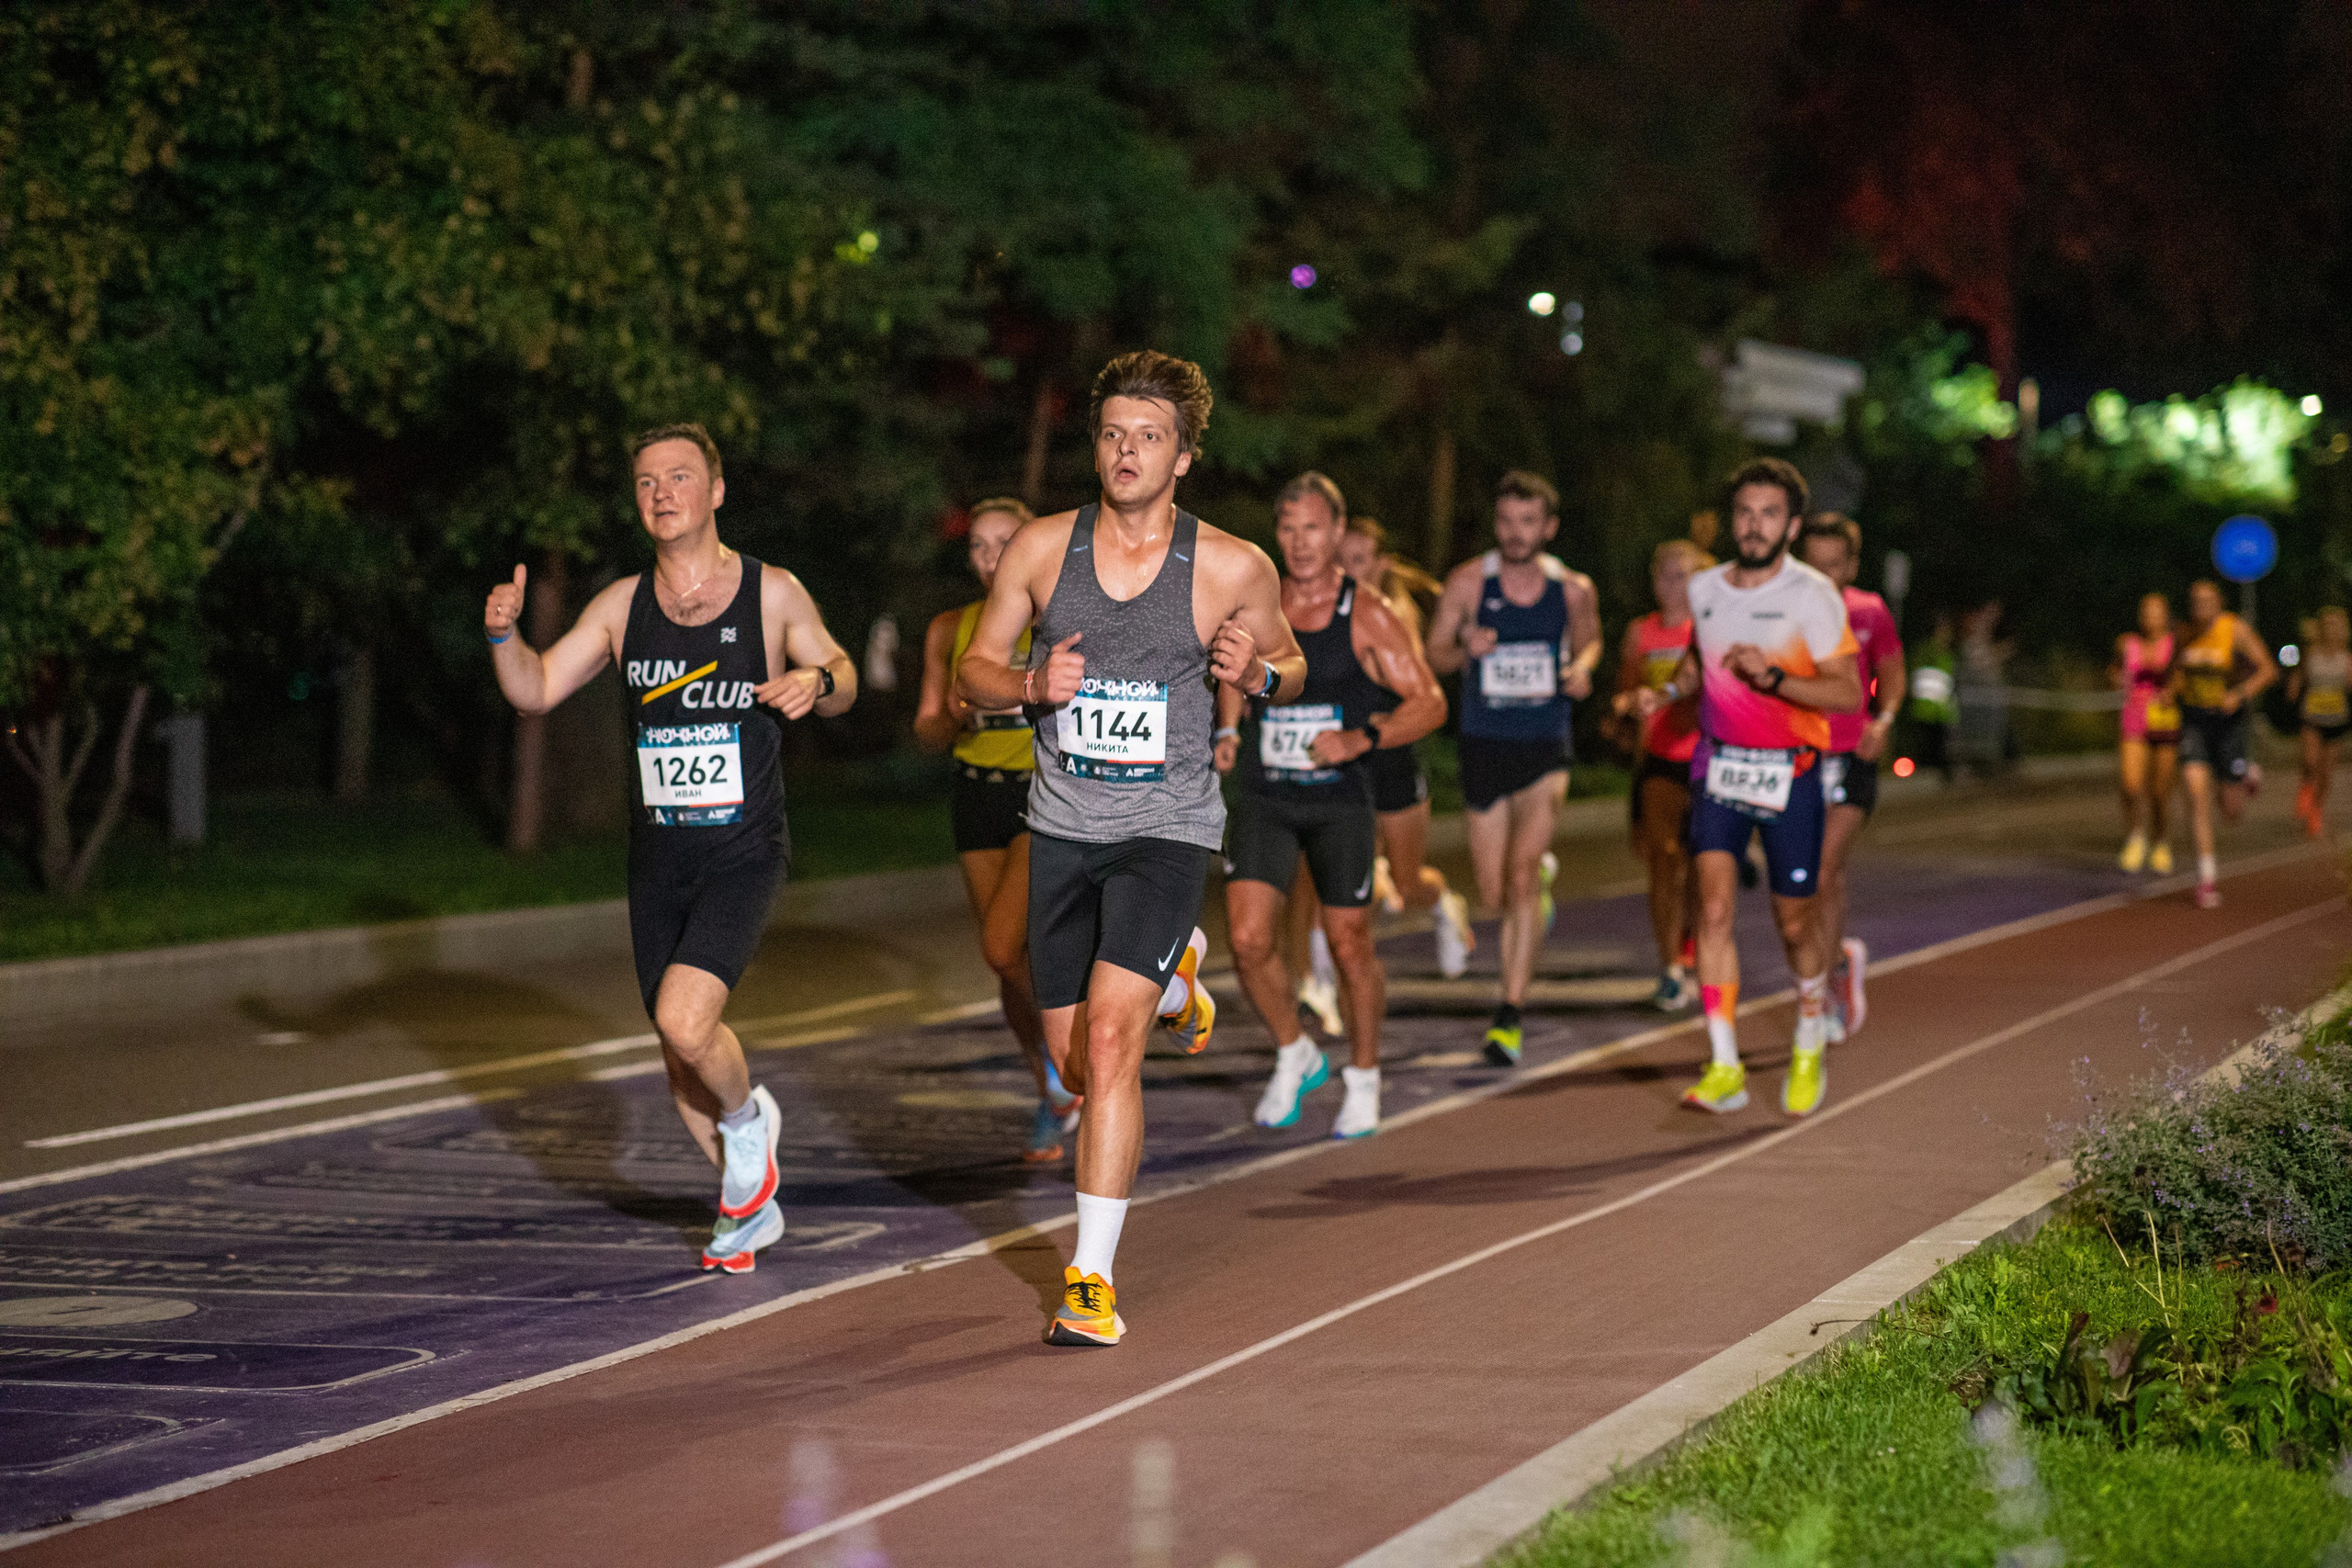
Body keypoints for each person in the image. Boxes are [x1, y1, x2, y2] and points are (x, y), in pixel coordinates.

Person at [956, 350, 1305, 1348]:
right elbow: (974, 674)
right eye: (1112, 433)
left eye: (1148, 437)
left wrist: (1264, 677)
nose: (1126, 451)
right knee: (1073, 1064)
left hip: (1167, 828)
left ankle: (1090, 1281)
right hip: (1061, 826)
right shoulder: (1038, 549)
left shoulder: (1232, 565)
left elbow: (1288, 657)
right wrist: (1025, 689)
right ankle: (1185, 988)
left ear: (1183, 456)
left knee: (1111, 1043)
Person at [484, 423, 857, 1274]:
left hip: (743, 848)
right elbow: (537, 689)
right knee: (681, 1061)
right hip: (659, 862)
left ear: (716, 491)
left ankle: (751, 1126)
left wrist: (816, 681)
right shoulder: (622, 607)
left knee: (685, 1021)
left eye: (680, 477)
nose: (662, 493)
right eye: (648, 481)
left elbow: (843, 671)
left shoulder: (771, 593)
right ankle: (747, 1206)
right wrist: (505, 635)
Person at [1216, 474, 1446, 1140]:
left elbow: (1430, 702)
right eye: (1288, 528)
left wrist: (1360, 737)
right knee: (1250, 939)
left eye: (1312, 528)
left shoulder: (1368, 612)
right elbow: (1233, 666)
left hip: (1342, 799)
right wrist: (1229, 728)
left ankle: (1366, 1077)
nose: (1299, 542)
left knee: (1349, 943)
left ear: (1337, 533)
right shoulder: (1263, 601)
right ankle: (1296, 1050)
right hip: (1267, 792)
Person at [1637, 457, 1860, 1119]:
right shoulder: (1706, 588)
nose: (1754, 525)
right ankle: (1725, 1061)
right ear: (1731, 520)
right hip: (1721, 767)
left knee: (1795, 919)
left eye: (1768, 514)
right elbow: (1695, 660)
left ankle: (1809, 1024)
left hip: (1790, 770)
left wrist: (1773, 679)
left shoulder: (1812, 595)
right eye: (1744, 512)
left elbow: (1846, 691)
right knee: (1710, 910)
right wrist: (1668, 691)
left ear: (1790, 524)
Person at [912, 497, 1080, 1164]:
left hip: (1044, 793)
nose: (990, 557)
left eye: (1004, 541)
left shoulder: (1061, 617)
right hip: (976, 795)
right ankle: (1052, 1085)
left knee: (1002, 946)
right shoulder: (951, 627)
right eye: (978, 546)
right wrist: (954, 713)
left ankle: (1074, 1056)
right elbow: (927, 729)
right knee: (1007, 968)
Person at [1426, 471, 1602, 1066]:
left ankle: (1509, 1012)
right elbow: (1434, 651)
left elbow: (1590, 643)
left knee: (1521, 875)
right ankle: (1535, 891)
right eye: (1506, 521)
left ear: (1548, 527)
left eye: (1528, 522)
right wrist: (1463, 649)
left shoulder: (1573, 589)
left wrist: (1582, 670)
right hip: (1484, 743)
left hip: (1544, 746)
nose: (1516, 533)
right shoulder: (1470, 582)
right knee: (1494, 889)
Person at [1337, 515, 1476, 974]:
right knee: (1339, 881)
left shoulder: (1396, 614)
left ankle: (1442, 906)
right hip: (1343, 757)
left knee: (1407, 881)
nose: (1347, 569)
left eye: (1358, 560)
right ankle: (1316, 984)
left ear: (1381, 565)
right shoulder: (1319, 606)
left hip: (1392, 756)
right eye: (1341, 559)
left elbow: (1418, 693)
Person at [1795, 513, 1905, 1043]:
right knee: (1817, 882)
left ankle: (1821, 998)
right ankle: (1838, 958)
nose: (1823, 577)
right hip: (1799, 758)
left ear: (1852, 566)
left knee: (1821, 872)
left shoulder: (1869, 611)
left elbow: (1894, 674)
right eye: (1813, 566)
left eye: (1834, 567)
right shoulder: (1785, 610)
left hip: (1852, 756)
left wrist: (1883, 721)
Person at [1610, 538, 1712, 1012]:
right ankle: (1669, 965)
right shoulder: (1640, 633)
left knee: (1699, 866)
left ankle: (1690, 946)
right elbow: (1625, 692)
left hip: (1706, 760)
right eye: (1663, 575)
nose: (1671, 585)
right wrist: (1628, 706)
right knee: (1662, 861)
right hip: (1659, 758)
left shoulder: (1710, 628)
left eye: (1682, 575)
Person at [2169, 579, 2278, 908]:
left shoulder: (2236, 630)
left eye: (2206, 599)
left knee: (2230, 811)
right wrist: (2169, 690)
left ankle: (2244, 774)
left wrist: (2239, 694)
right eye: (2194, 600)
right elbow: (2175, 671)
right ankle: (2206, 878)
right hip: (2194, 723)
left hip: (2228, 725)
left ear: (2218, 602)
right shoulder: (2184, 633)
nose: (2200, 605)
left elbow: (2268, 670)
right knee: (2195, 794)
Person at [2110, 592, 2181, 873]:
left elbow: (2182, 676)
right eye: (2146, 611)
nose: (2150, 617)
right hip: (2134, 719)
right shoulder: (2126, 643)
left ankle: (2161, 840)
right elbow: (2114, 670)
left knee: (2160, 792)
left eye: (2156, 612)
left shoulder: (2175, 644)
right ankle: (2136, 836)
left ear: (2166, 615)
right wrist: (2116, 678)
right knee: (2130, 784)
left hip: (2164, 721)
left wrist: (2172, 691)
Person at [2291, 606, 2351, 838]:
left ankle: (2316, 810)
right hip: (2312, 718)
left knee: (2326, 773)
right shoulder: (2311, 654)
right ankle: (2306, 787)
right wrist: (2294, 687)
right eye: (2328, 624)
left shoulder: (2346, 659)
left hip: (2336, 721)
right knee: (2310, 761)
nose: (2332, 629)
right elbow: (2300, 676)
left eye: (2337, 625)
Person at [1906, 611, 1958, 783]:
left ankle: (1940, 775)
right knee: (1927, 746)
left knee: (1941, 746)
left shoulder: (1947, 653)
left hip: (1941, 710)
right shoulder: (1927, 650)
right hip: (1925, 709)